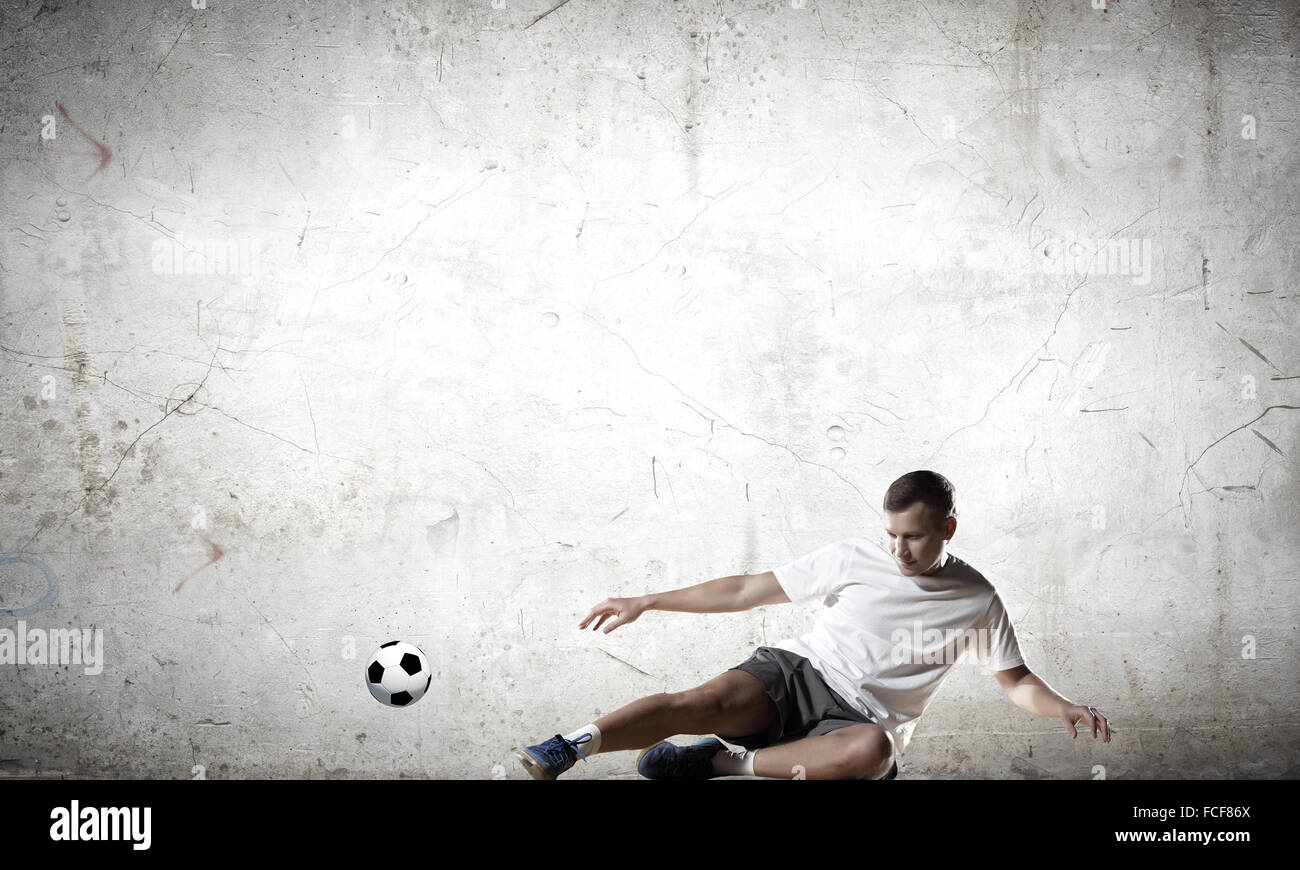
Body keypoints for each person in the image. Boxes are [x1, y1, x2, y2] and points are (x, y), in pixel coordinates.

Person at [512, 470, 1112, 780]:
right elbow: (748, 590)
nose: (900, 550)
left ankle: (714, 765)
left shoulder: (976, 597)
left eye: (916, 537)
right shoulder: (856, 557)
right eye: (893, 535)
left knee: (874, 751)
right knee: (704, 698)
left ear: (948, 529)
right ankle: (568, 747)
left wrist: (1060, 705)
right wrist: (648, 600)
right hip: (797, 675)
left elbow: (1015, 678)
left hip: (858, 723)